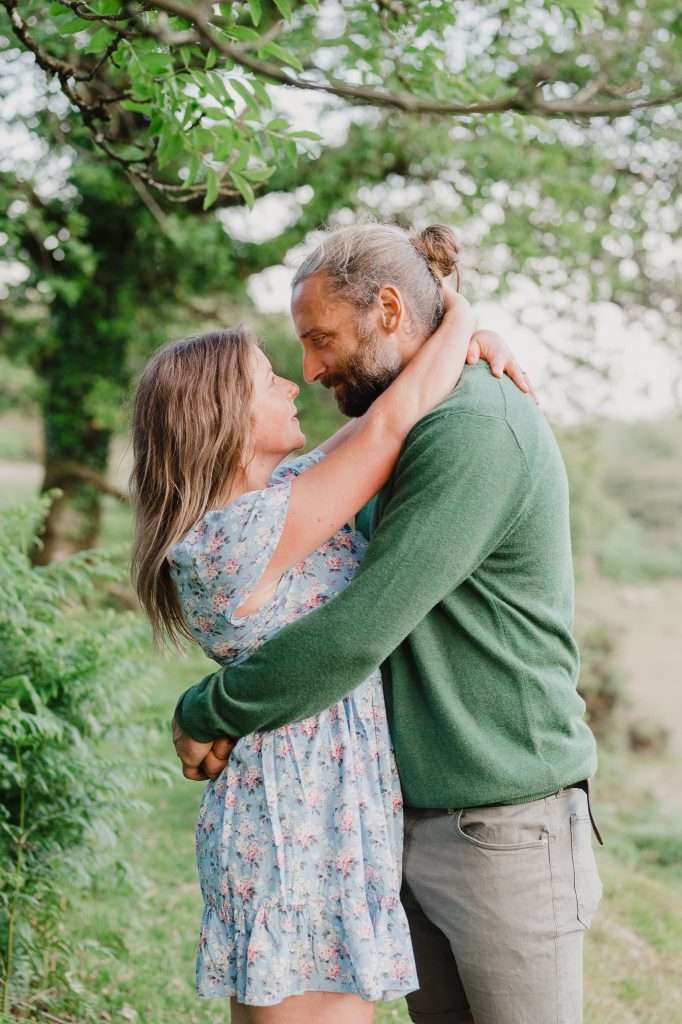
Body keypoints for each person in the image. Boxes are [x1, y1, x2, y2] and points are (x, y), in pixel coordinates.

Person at [172, 222, 604, 1024]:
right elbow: (378, 431)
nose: (309, 369)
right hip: (410, 818)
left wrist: (207, 708)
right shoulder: (395, 432)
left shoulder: (471, 427)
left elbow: (358, 630)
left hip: (503, 821)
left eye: (321, 339)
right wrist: (462, 325)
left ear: (392, 310)